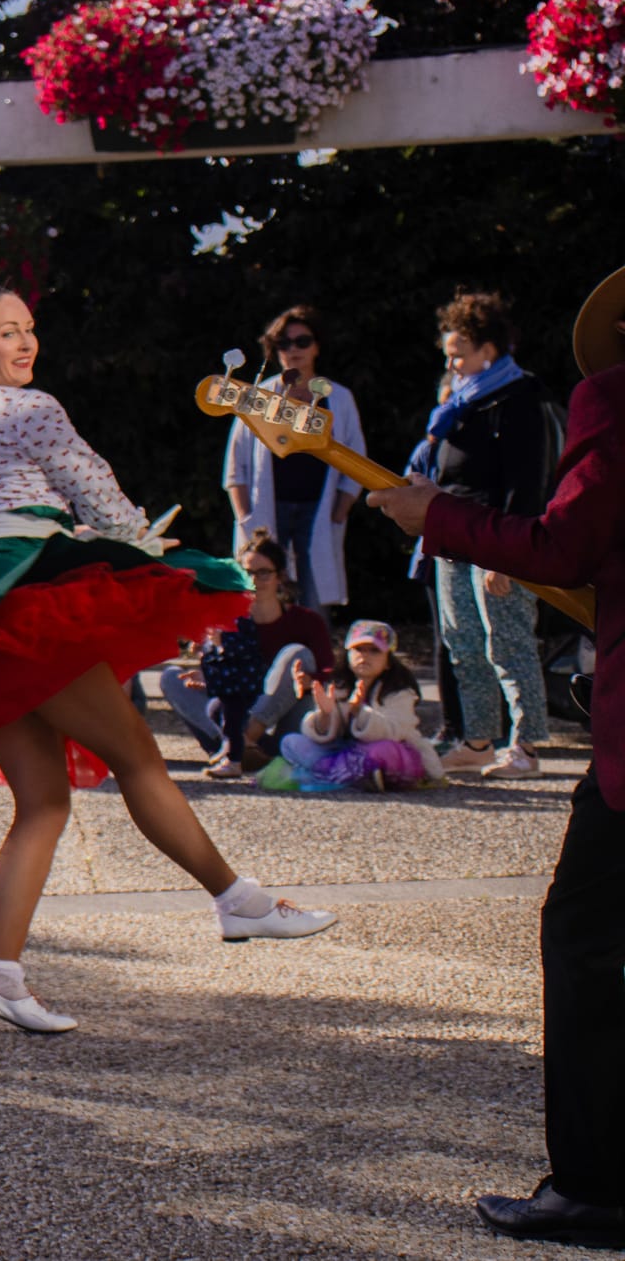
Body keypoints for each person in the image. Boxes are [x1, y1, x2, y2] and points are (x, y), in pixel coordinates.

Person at [0, 285, 337, 1036]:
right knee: (137, 755)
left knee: (43, 803)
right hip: (32, 594)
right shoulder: (34, 407)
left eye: (29, 328)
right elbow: (91, 481)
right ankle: (239, 901)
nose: (26, 342)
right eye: (8, 332)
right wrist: (135, 539)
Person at [367, 267, 625, 1248]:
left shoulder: (610, 395)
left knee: (582, 941)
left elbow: (562, 545)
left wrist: (431, 513)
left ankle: (596, 1186)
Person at [408, 291, 554, 778]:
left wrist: (505, 556)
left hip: (497, 536)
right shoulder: (457, 399)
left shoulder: (519, 395)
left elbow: (524, 481)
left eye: (459, 352)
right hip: (451, 530)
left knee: (508, 642)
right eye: (448, 352)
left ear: (487, 350)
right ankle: (477, 739)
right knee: (462, 642)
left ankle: (526, 746)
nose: (451, 362)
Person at [157, 530, 333, 778]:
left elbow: (330, 671)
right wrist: (211, 674)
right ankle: (239, 747)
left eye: (263, 573)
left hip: (282, 725)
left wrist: (310, 680)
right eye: (247, 573)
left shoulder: (306, 621)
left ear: (279, 577)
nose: (254, 580)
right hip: (237, 710)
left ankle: (241, 742)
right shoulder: (226, 623)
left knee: (296, 653)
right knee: (171, 678)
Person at [223, 306, 364, 611]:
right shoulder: (259, 395)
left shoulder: (339, 398)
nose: (294, 350)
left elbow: (355, 458)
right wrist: (246, 516)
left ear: (317, 346)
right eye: (284, 344)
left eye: (302, 341)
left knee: (313, 595)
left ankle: (314, 653)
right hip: (268, 509)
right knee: (263, 590)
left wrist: (339, 510)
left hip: (318, 511)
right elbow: (237, 464)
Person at [262, 620, 442, 793]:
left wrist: (358, 711)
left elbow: (395, 732)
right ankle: (351, 774)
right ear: (347, 655)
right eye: (358, 650)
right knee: (292, 742)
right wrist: (325, 715)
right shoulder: (339, 687)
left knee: (384, 750)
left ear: (388, 661)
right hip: (345, 752)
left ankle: (336, 773)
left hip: (385, 753)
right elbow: (329, 737)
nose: (364, 656)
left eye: (374, 651)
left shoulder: (399, 692)